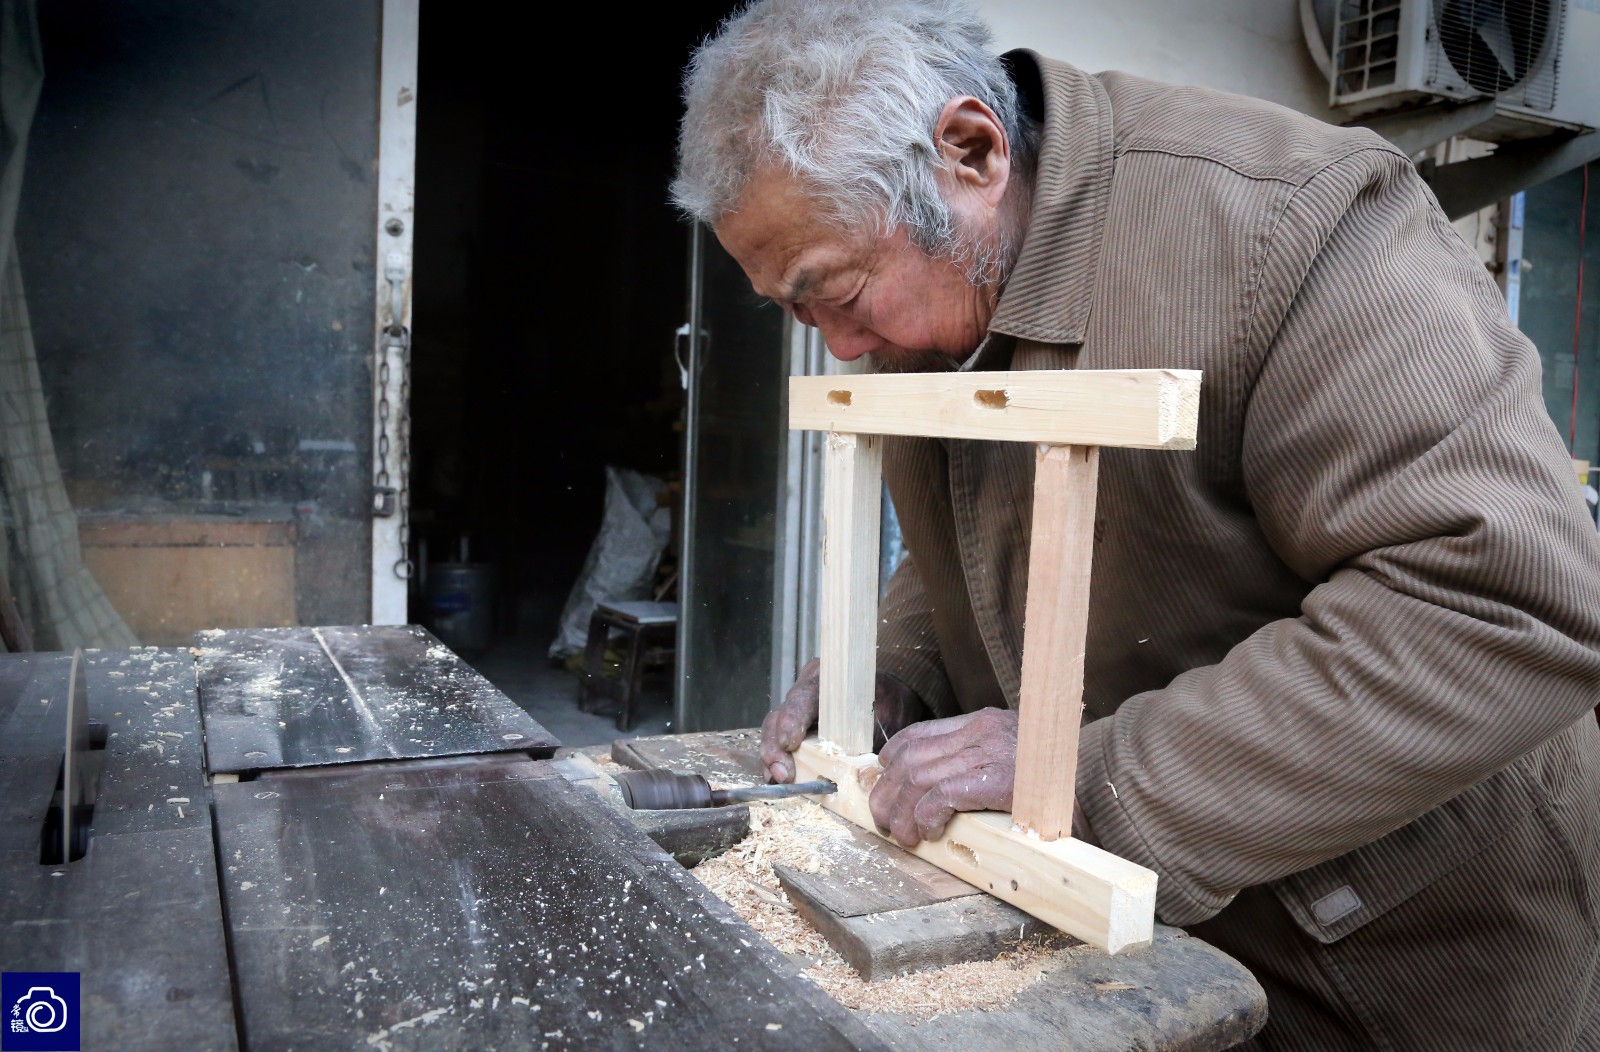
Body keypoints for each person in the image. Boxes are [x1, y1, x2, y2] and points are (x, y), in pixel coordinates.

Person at [671, 1, 1600, 1048]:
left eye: (833, 293)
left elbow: (1502, 602)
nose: (839, 349)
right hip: (1121, 921)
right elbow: (970, 537)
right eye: (797, 315)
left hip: (1386, 949)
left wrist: (1085, 773)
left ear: (970, 152)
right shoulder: (935, 302)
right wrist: (892, 671)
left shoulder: (1286, 221)